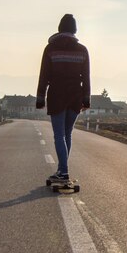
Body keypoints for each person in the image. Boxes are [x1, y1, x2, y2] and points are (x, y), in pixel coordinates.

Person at [36, 14, 90, 182]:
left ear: (59, 28)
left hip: (57, 95)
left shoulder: (50, 48)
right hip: (75, 96)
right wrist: (86, 99)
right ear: (75, 30)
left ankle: (63, 171)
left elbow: (44, 75)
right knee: (68, 134)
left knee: (59, 135)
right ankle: (62, 169)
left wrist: (40, 97)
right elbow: (86, 76)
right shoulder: (82, 50)